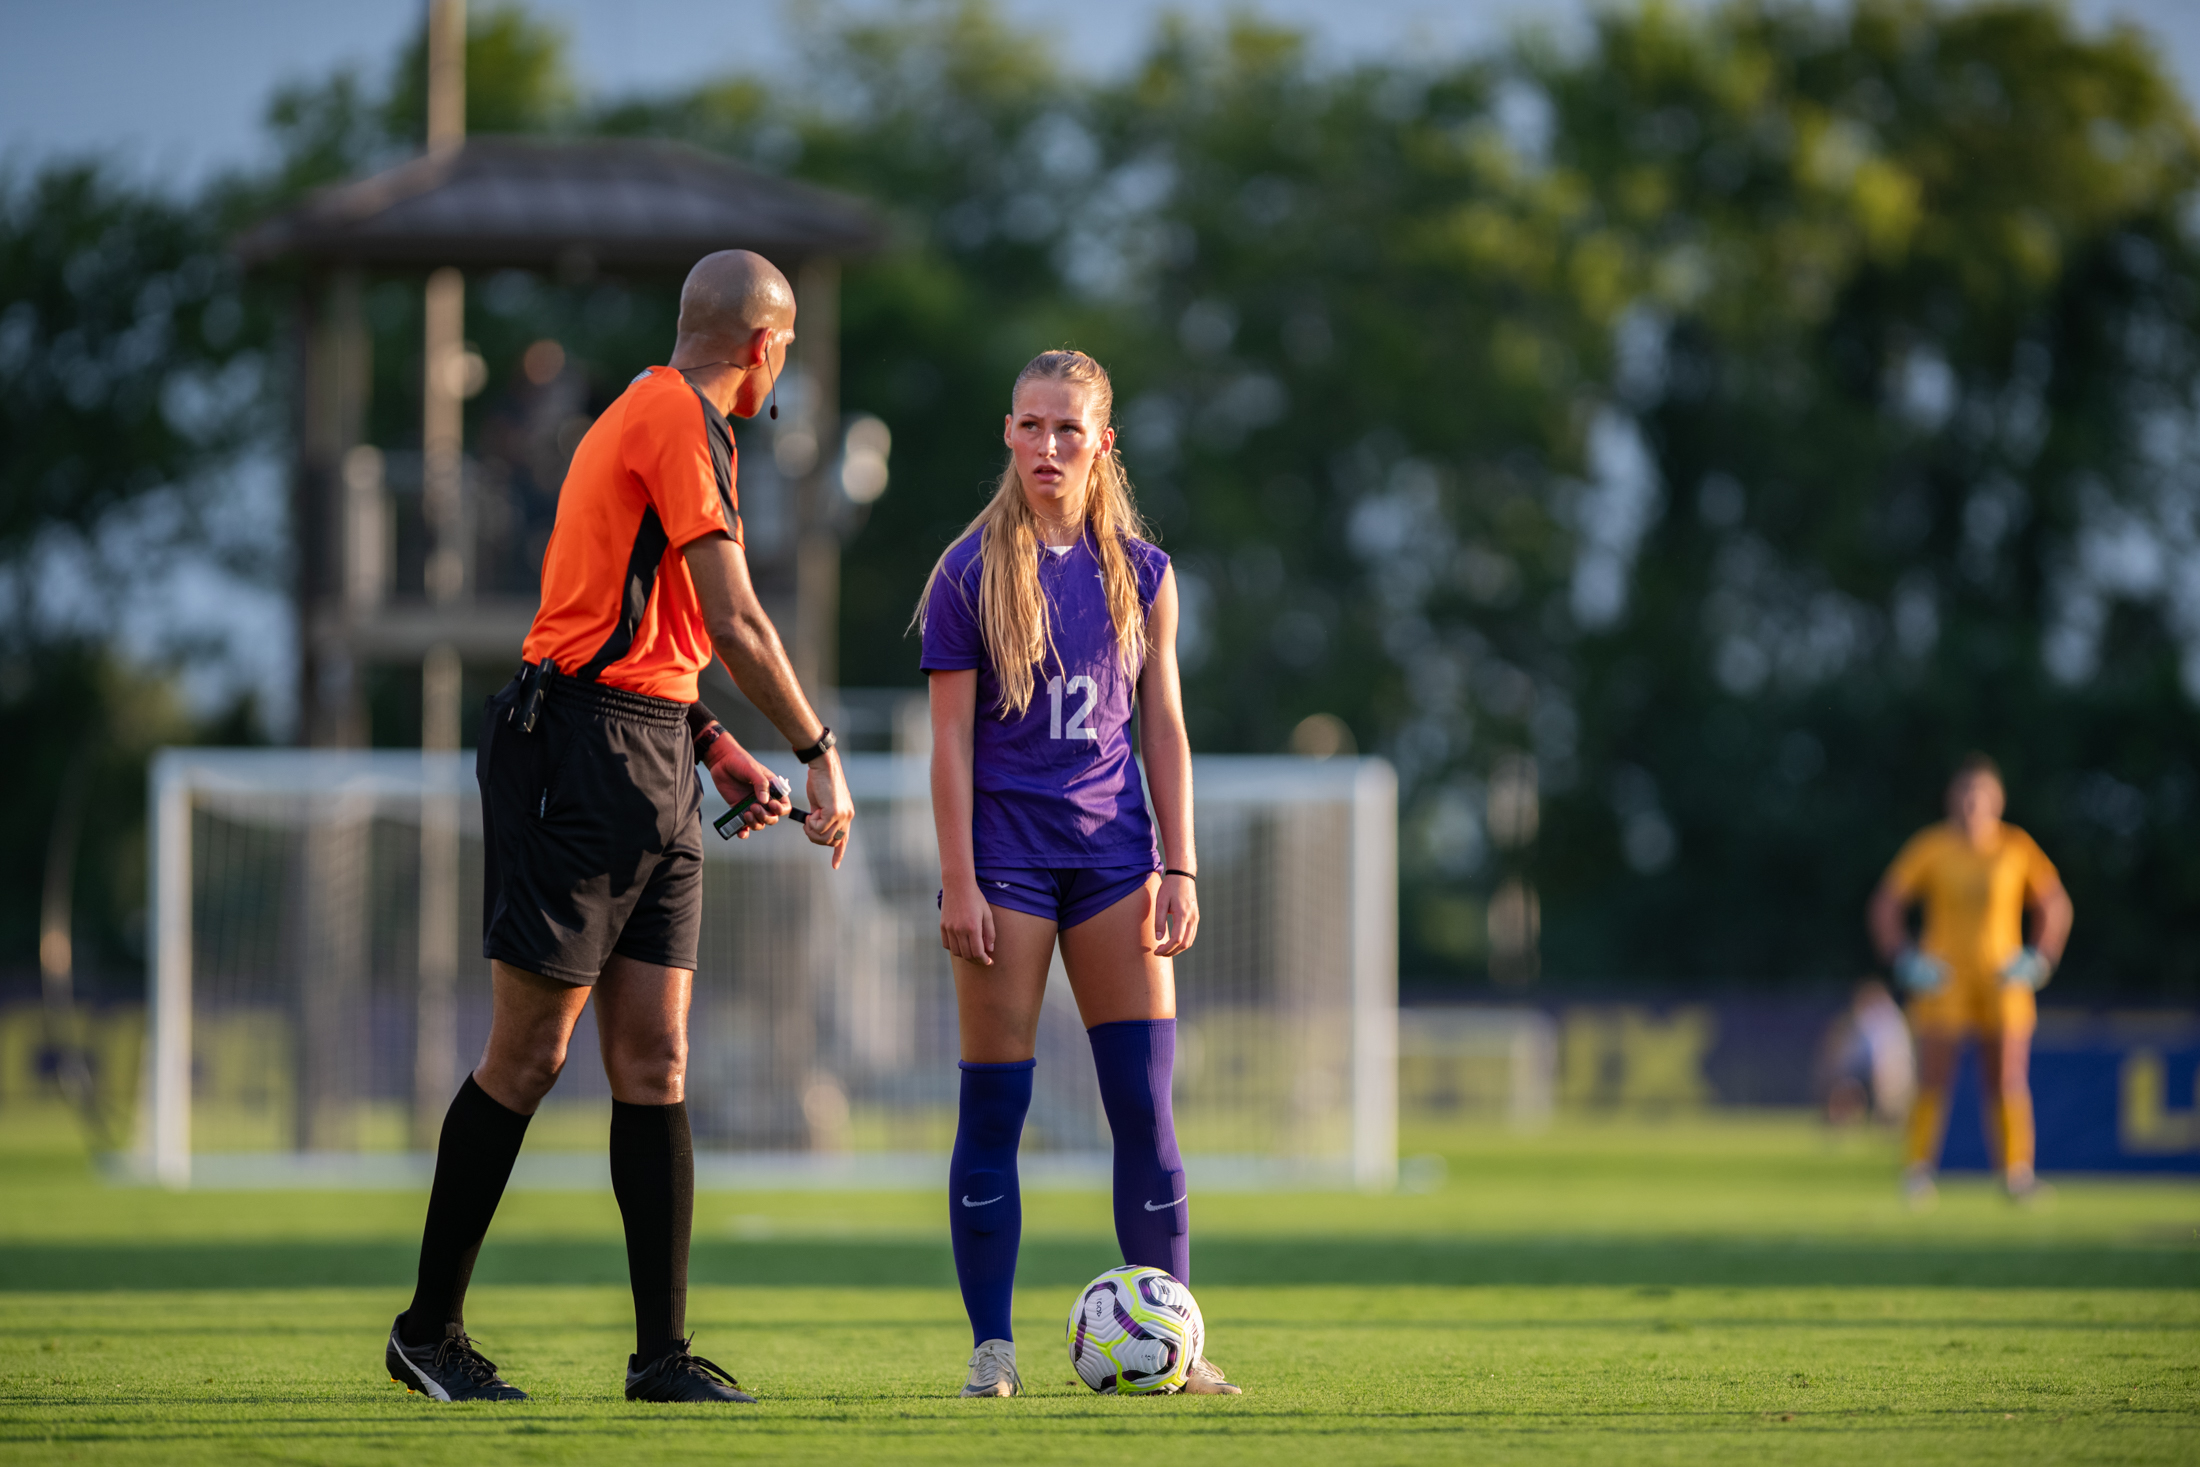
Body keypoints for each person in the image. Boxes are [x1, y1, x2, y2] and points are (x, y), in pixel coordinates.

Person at [385, 249, 854, 1404]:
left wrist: (710, 744)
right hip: (577, 753)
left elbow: (647, 634)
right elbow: (739, 619)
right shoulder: (672, 419)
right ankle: (425, 1332)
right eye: (783, 345)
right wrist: (815, 749)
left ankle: (660, 1358)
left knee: (655, 1058)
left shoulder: (677, 424)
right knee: (530, 1054)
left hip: (648, 746)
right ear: (764, 346)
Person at [915, 349, 1237, 1398]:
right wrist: (957, 881)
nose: (1047, 447)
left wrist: (1177, 868)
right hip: (1003, 868)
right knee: (994, 1114)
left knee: (1143, 1111)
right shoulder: (965, 571)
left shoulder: (1143, 572)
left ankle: (1177, 1349)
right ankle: (991, 1350)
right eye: (1029, 426)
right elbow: (950, 747)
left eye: (1067, 429)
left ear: (1104, 443)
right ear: (1005, 434)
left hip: (1114, 865)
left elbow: (1166, 731)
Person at [1867, 754, 2073, 1206]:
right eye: (1963, 792)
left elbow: (2055, 903)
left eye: (1980, 793)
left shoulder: (2016, 847)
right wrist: (1903, 958)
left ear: (1997, 800)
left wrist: (2040, 958)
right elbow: (1886, 903)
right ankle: (1917, 1171)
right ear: (1950, 798)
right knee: (1934, 1076)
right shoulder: (1932, 847)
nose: (1970, 802)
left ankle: (2016, 1176)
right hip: (1944, 979)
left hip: (2003, 978)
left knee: (2007, 1078)